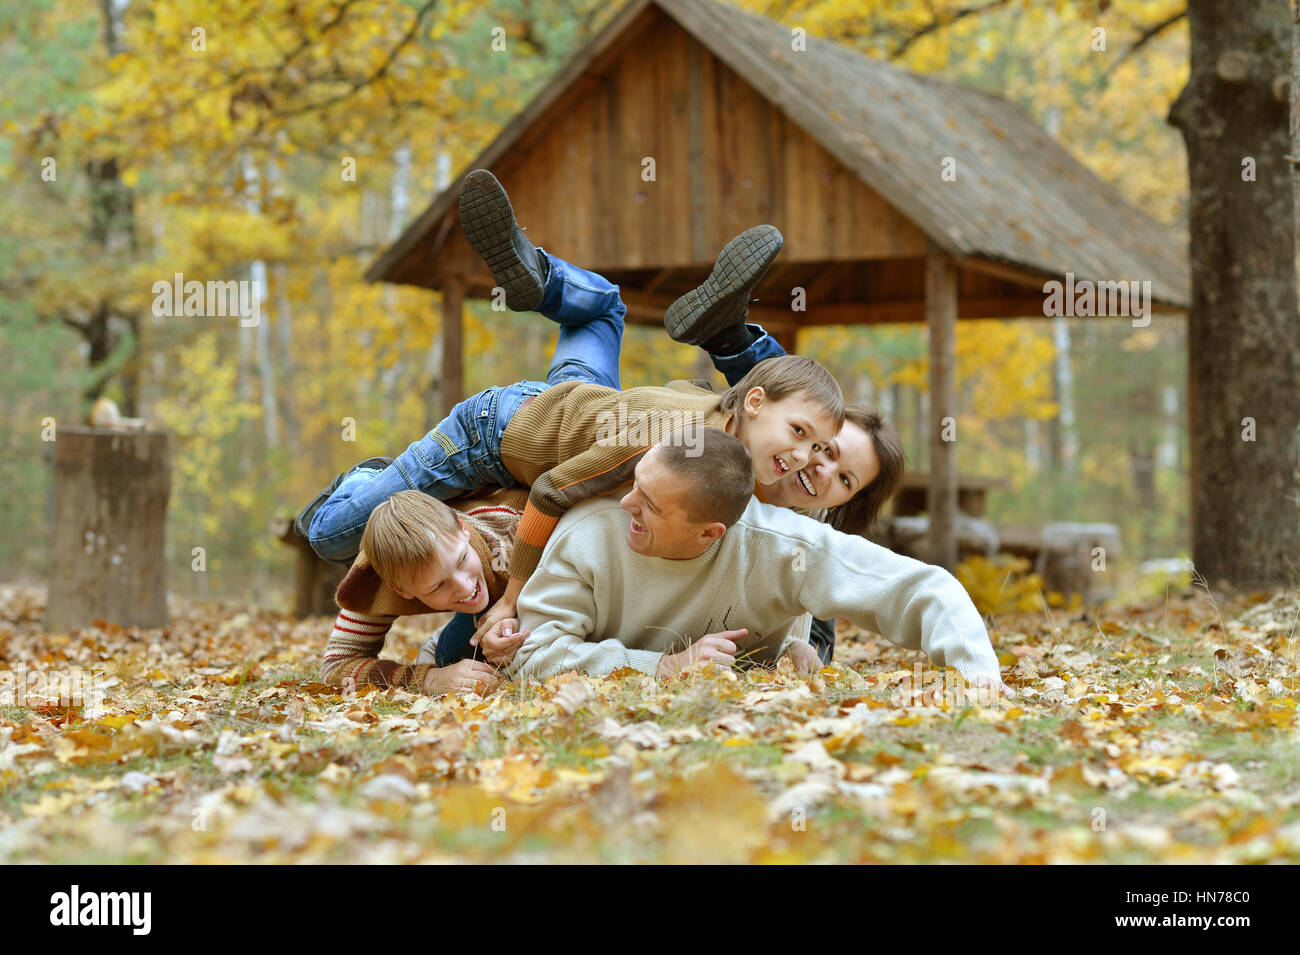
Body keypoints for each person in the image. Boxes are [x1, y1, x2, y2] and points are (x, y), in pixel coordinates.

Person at [297, 169, 845, 650]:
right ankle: (368, 477)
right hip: (493, 433)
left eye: (817, 449)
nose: (804, 460)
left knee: (605, 312)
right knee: (329, 535)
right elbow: (552, 490)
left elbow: (774, 408)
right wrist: (511, 597)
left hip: (584, 409)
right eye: (802, 438)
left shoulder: (719, 424)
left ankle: (555, 279)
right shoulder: (668, 442)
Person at [508, 429, 1002, 687]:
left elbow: (923, 587)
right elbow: (530, 657)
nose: (626, 504)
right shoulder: (588, 533)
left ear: (711, 533)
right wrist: (661, 667)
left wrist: (977, 676)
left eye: (650, 505)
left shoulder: (784, 544)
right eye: (637, 483)